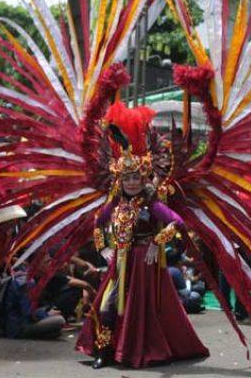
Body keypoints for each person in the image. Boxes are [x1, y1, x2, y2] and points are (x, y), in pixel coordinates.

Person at [76, 104, 209, 369]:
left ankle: (131, 351)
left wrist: (156, 243)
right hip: (119, 262)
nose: (133, 183)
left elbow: (178, 222)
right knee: (106, 306)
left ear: (142, 178)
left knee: (136, 310)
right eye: (128, 180)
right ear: (121, 181)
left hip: (142, 264)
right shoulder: (115, 204)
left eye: (136, 178)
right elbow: (97, 222)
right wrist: (103, 248)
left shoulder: (152, 204)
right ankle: (103, 352)